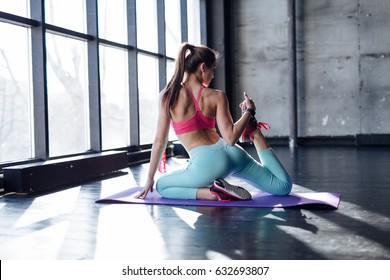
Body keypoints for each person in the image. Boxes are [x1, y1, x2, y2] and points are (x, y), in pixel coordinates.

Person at [135, 43, 292, 201]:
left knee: (162, 185)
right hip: (233, 155)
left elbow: (160, 140)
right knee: (282, 186)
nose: (213, 75)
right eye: (213, 69)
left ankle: (213, 192)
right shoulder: (217, 95)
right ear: (203, 67)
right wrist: (248, 112)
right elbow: (231, 138)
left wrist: (149, 178)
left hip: (207, 165)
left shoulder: (168, 96)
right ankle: (256, 135)